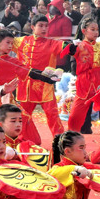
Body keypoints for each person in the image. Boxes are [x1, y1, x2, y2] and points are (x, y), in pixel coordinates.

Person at [13, 16, 65, 144]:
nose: (44, 28)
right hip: (25, 86)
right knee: (22, 116)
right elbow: (4, 41)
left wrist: (78, 43)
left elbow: (67, 47)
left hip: (45, 86)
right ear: (32, 27)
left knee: (52, 115)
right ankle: (22, 140)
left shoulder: (52, 43)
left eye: (46, 26)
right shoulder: (21, 41)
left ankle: (61, 142)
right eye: (40, 25)